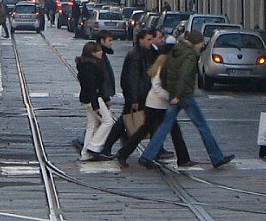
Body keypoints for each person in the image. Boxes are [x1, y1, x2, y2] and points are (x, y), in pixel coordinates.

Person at [136, 30, 235, 169]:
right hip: (184, 95)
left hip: (174, 93)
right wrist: (178, 94)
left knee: (165, 126)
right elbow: (185, 74)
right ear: (196, 42)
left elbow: (165, 71)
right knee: (202, 126)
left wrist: (170, 90)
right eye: (201, 43)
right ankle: (216, 157)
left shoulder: (176, 50)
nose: (202, 46)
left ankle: (147, 156)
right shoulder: (190, 54)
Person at [117, 50, 191, 168]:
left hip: (160, 106)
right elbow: (157, 87)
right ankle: (125, 154)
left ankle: (182, 158)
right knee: (146, 131)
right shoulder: (162, 69)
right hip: (155, 106)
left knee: (170, 131)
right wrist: (170, 97)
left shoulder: (166, 69)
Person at [102, 29, 157, 157]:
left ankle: (113, 146)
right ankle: (110, 147)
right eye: (148, 39)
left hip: (141, 94)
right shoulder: (135, 55)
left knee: (135, 122)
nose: (151, 42)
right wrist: (134, 99)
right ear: (140, 40)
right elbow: (132, 78)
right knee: (127, 122)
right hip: (137, 96)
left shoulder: (144, 53)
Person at [76, 41, 113, 161]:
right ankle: (93, 146)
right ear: (92, 53)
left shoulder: (87, 65)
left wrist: (105, 98)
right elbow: (91, 87)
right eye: (98, 50)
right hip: (93, 99)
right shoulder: (90, 67)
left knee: (92, 125)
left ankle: (85, 153)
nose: (101, 52)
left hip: (87, 99)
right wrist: (96, 106)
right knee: (108, 121)